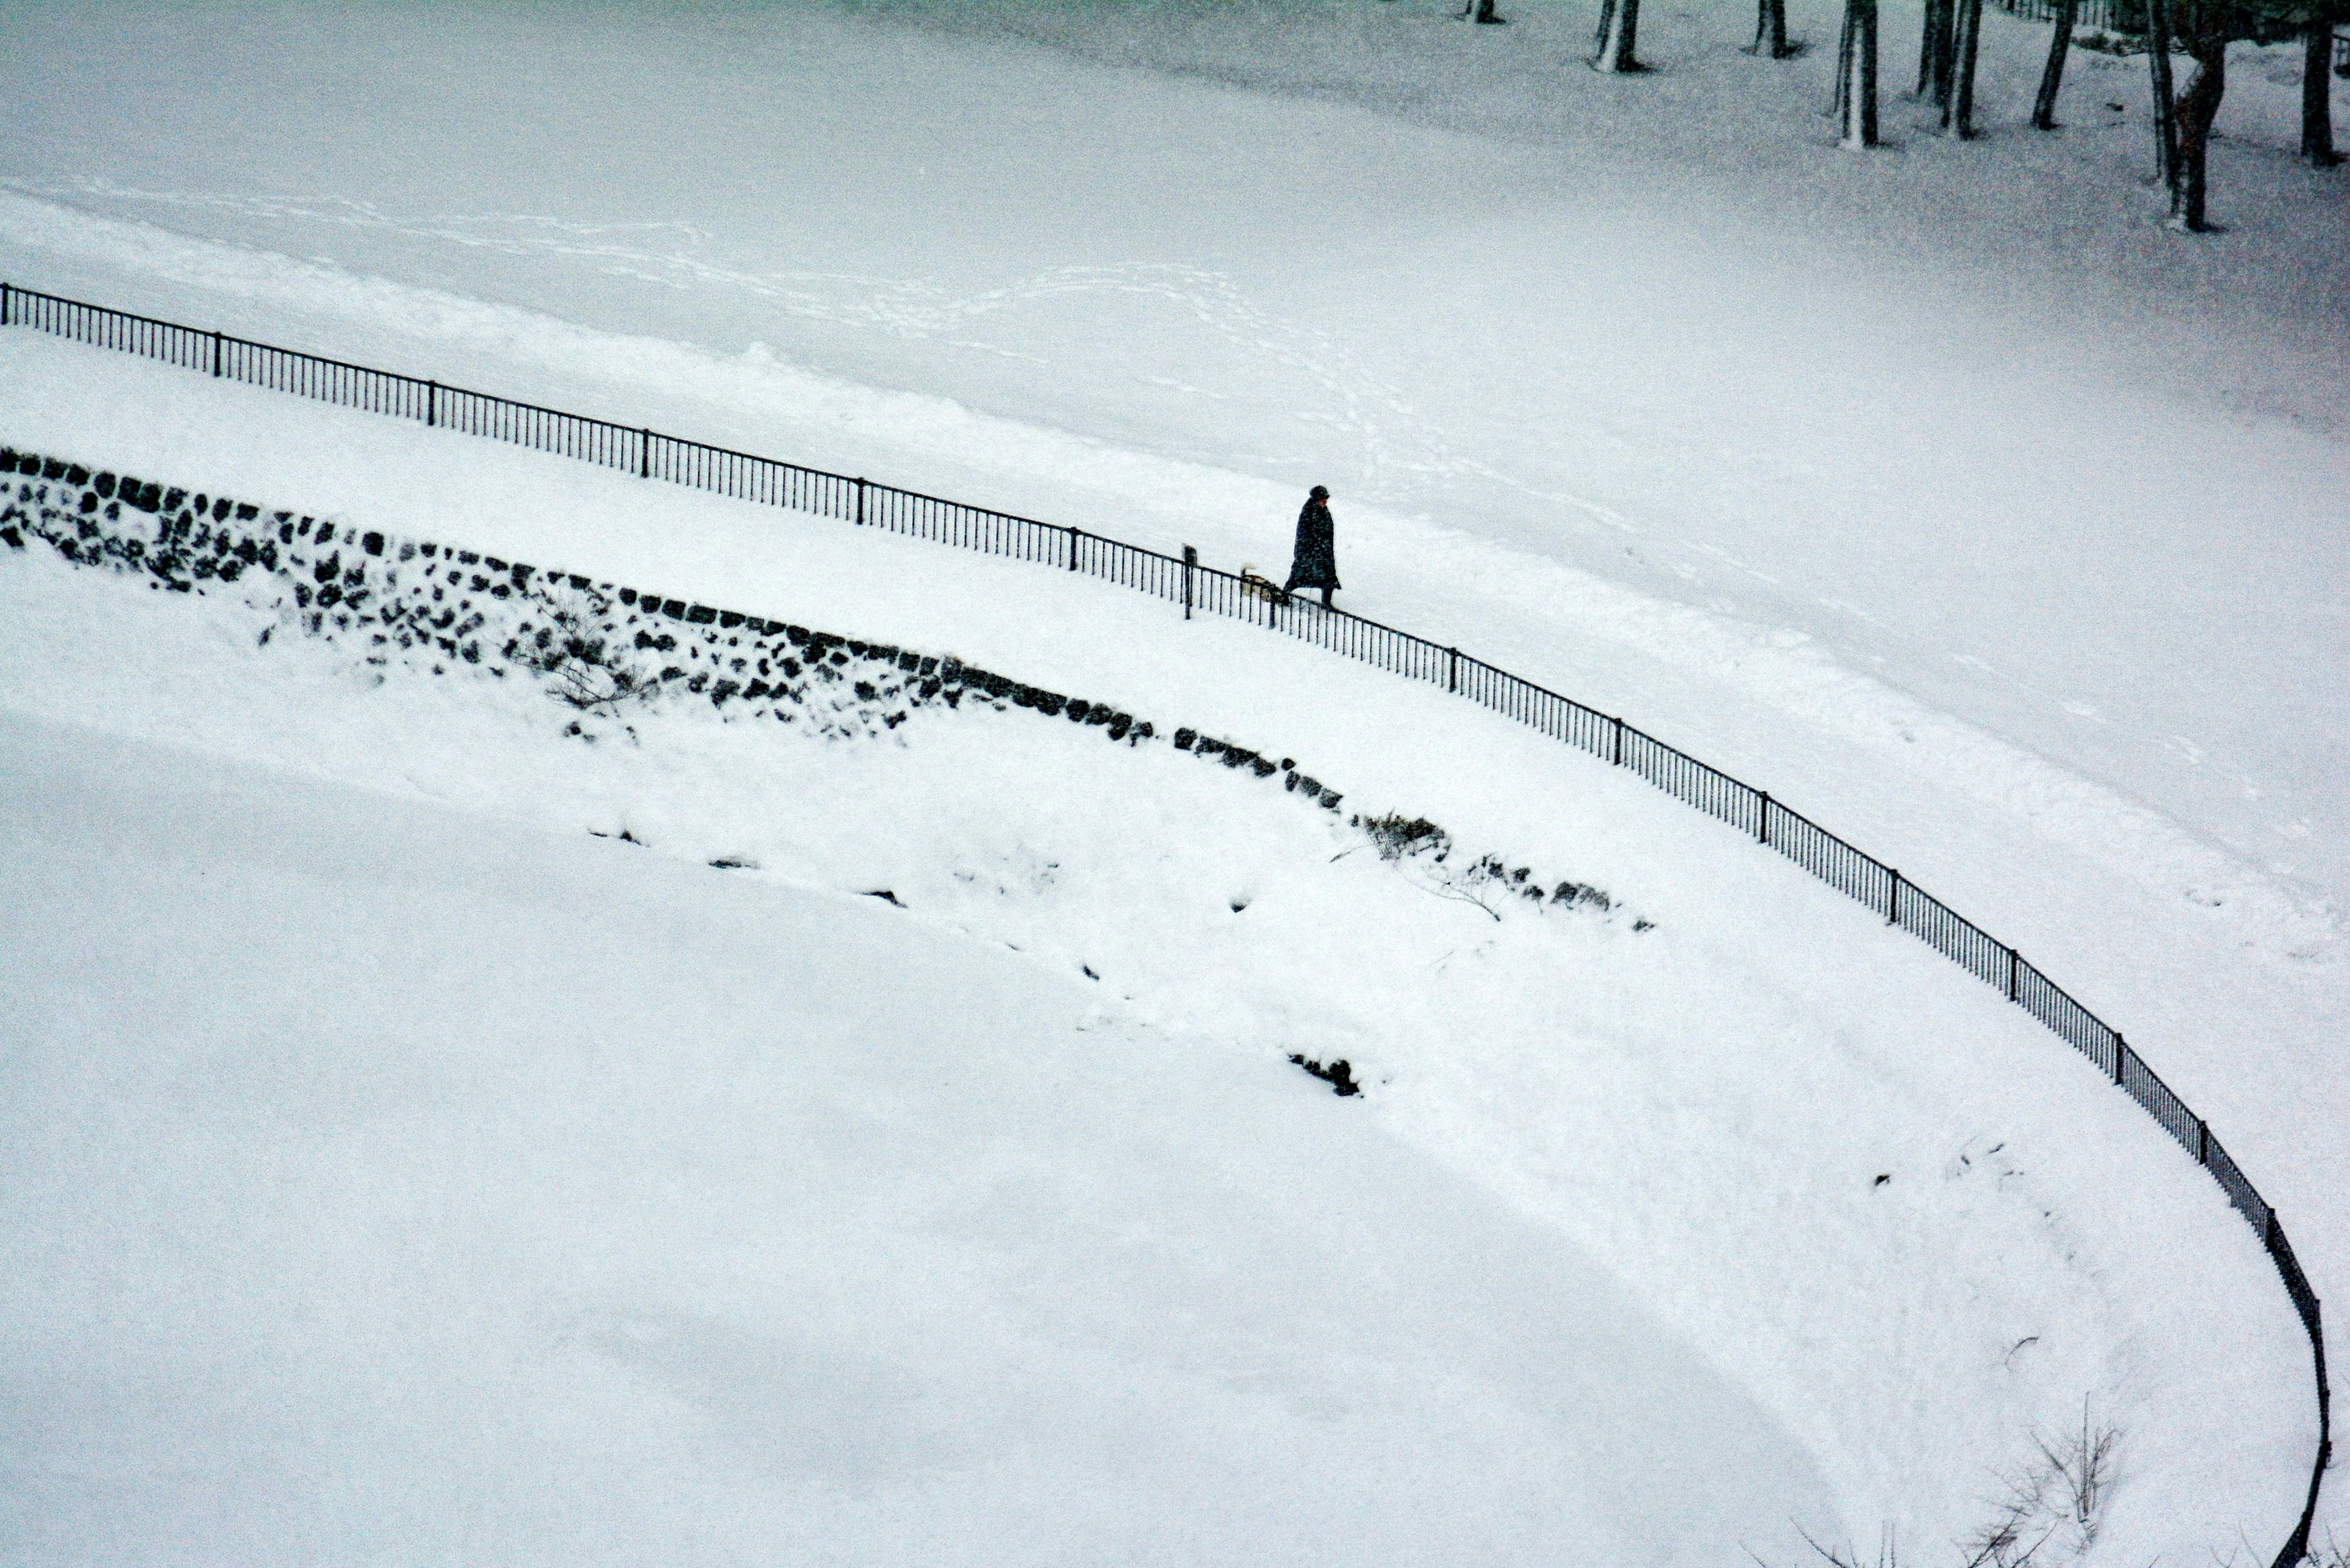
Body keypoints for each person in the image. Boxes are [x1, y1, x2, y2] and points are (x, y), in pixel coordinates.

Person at [1284, 485, 1341, 609]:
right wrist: (1310, 549)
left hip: (1324, 553)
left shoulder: (1324, 511)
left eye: (1325, 498)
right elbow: (1303, 534)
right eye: (1322, 498)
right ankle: (1285, 594)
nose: (1324, 501)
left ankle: (1326, 602)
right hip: (1309, 553)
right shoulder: (1308, 512)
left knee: (1328, 578)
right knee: (1299, 576)